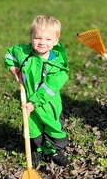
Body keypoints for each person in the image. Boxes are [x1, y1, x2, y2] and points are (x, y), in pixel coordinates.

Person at [4, 15, 70, 167]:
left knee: (53, 128)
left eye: (48, 39)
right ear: (31, 37)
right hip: (28, 105)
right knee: (32, 130)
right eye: (37, 37)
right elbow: (10, 53)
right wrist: (12, 66)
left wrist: (35, 102)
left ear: (55, 42)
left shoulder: (58, 67)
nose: (42, 42)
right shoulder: (24, 52)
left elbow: (49, 88)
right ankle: (36, 149)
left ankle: (54, 150)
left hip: (48, 105)